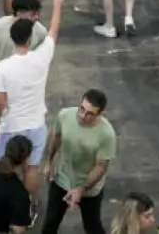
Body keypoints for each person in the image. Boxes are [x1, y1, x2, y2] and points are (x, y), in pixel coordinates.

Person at [0, 0, 66, 211]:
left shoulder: (3, 68)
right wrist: (57, 4)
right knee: (31, 168)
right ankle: (31, 205)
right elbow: (53, 31)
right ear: (31, 37)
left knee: (8, 168)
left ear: (12, 38)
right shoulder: (41, 58)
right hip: (36, 125)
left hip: (11, 126)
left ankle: (9, 206)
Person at [41, 89, 117, 234]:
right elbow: (56, 135)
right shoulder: (65, 115)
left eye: (89, 113)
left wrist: (81, 189)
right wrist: (49, 161)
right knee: (50, 224)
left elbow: (101, 167)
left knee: (92, 227)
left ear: (99, 114)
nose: (83, 115)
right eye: (81, 109)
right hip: (62, 180)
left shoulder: (107, 134)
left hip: (89, 190)